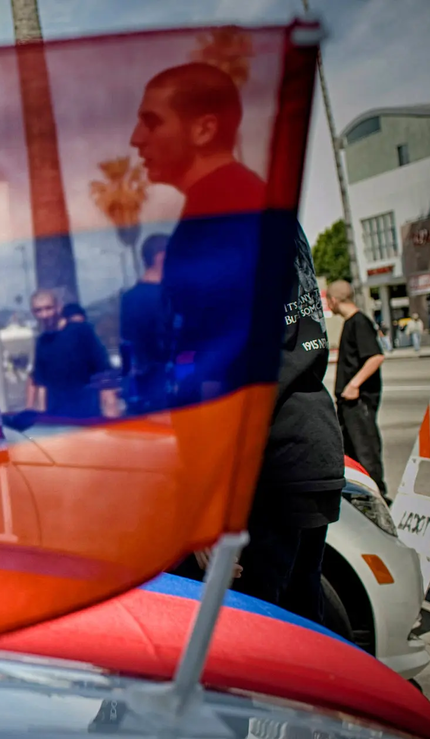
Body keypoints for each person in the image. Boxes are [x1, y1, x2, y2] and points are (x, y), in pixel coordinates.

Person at [131, 63, 344, 623]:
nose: (136, 139)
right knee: (304, 642)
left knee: (252, 648)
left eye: (151, 122)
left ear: (203, 128)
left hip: (259, 473)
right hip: (302, 450)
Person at [327, 280, 387, 497]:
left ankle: (378, 498)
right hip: (348, 403)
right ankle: (360, 498)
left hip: (359, 402)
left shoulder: (359, 322)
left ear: (334, 300)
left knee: (366, 453)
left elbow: (376, 357)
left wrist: (354, 384)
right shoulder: (351, 322)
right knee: (352, 454)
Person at [28, 291, 112, 419]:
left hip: (87, 413)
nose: (44, 315)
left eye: (48, 308)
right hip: (58, 417)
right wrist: (43, 416)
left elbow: (103, 370)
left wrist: (110, 407)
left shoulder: (81, 331)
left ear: (58, 307)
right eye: (38, 310)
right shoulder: (42, 342)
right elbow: (41, 383)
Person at [119, 234, 170, 414]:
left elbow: (126, 344)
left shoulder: (128, 298)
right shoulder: (167, 296)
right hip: (168, 387)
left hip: (142, 389)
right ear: (162, 257)